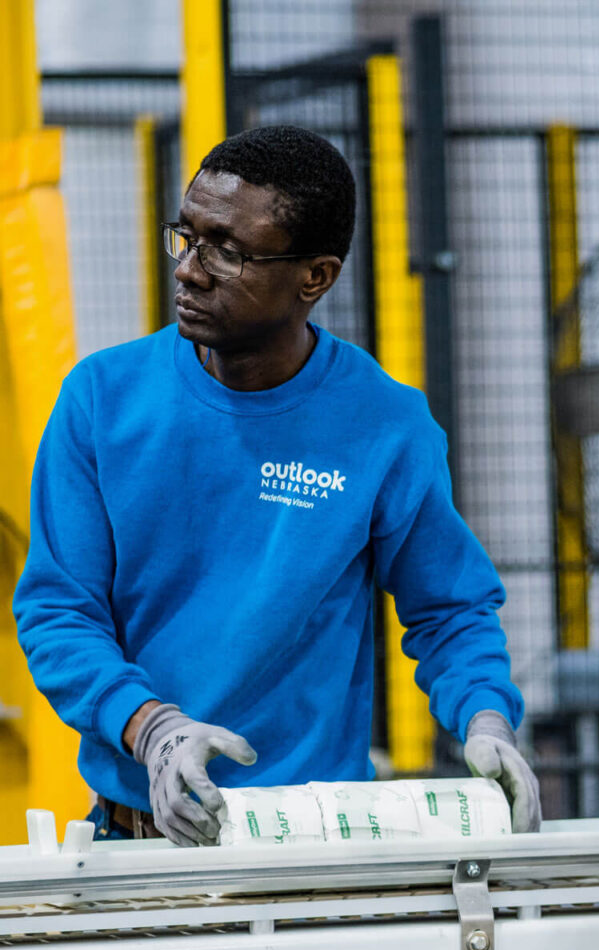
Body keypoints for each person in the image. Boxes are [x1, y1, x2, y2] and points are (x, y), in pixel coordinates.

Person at [13, 125, 541, 846]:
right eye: (187, 236)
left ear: (315, 277)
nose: (190, 270)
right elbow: (58, 613)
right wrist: (155, 732)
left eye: (227, 251)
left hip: (310, 843)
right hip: (135, 835)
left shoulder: (384, 425)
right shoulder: (103, 401)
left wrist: (487, 722)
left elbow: (450, 610)